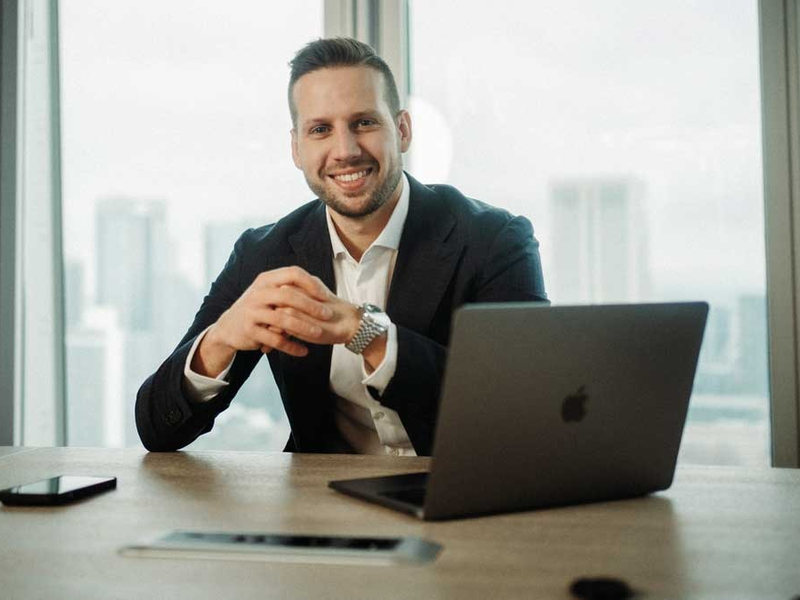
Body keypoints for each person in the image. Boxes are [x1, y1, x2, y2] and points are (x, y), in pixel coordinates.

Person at [136, 37, 547, 456]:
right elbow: (156, 429)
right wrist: (221, 338)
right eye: (320, 130)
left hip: (459, 486)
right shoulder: (264, 253)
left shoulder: (495, 239)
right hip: (321, 495)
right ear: (297, 149)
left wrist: (365, 331)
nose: (346, 151)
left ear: (402, 131)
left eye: (364, 123)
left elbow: (529, 405)